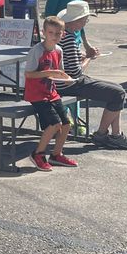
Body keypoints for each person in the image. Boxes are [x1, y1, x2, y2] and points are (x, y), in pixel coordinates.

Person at [55, 0, 127, 149]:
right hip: (70, 84)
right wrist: (89, 57)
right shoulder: (69, 38)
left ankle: (115, 134)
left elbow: (67, 61)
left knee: (117, 91)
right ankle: (103, 134)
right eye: (85, 19)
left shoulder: (62, 35)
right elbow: (76, 72)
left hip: (62, 82)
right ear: (77, 21)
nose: (86, 22)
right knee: (118, 93)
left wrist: (81, 55)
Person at [24, 16, 80, 171]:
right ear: (44, 33)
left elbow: (58, 73)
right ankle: (38, 154)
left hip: (51, 92)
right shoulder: (37, 51)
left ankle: (56, 155)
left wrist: (65, 78)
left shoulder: (59, 50)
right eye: (51, 32)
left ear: (62, 34)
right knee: (54, 124)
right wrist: (51, 72)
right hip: (37, 94)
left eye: (58, 33)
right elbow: (29, 74)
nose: (54, 36)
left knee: (67, 123)